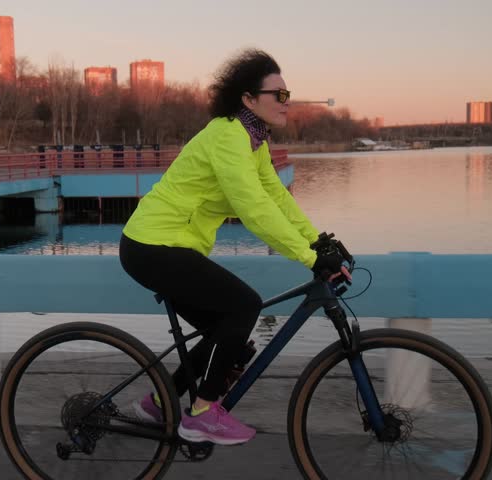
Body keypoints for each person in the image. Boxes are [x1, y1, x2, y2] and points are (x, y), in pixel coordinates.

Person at [119, 49, 347, 446]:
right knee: (244, 306)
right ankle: (202, 414)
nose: (286, 100)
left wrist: (316, 239)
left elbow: (274, 194)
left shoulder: (252, 141)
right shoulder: (227, 136)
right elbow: (253, 208)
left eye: (287, 93)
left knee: (224, 331)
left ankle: (159, 403)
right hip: (152, 245)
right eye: (278, 93)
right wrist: (310, 258)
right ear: (247, 99)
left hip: (172, 247)